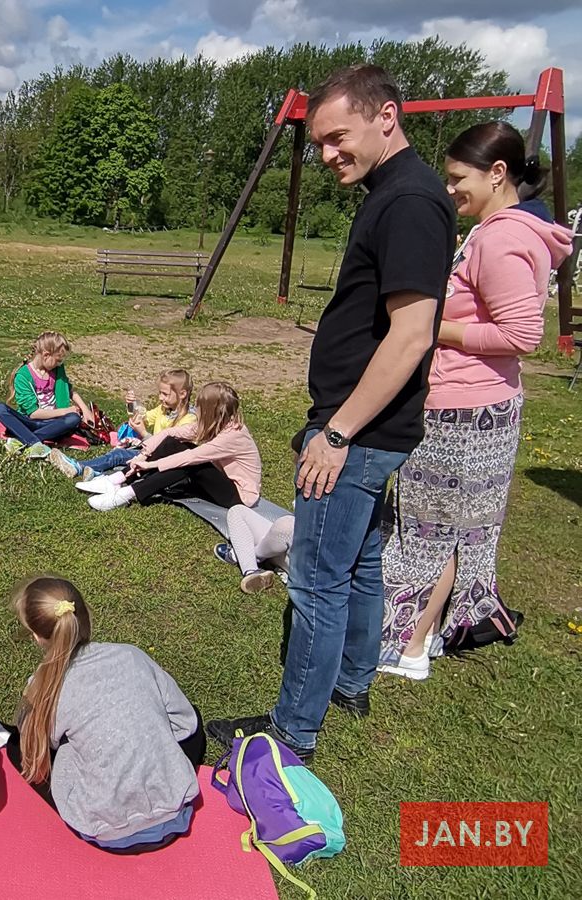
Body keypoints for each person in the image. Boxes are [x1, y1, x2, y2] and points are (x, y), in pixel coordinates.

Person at [206, 64, 456, 762]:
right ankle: (350, 683)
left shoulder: (409, 201)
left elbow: (412, 334)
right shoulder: (397, 192)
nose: (325, 154)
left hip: (358, 431)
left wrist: (338, 432)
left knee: (316, 579)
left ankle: (293, 732)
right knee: (363, 561)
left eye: (337, 137)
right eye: (319, 141)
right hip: (370, 428)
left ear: (387, 117)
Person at [378, 122, 572, 680]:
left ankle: (408, 646)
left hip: (465, 411)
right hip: (477, 404)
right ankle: (430, 633)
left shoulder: (500, 239)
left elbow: (521, 335)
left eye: (459, 178)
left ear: (497, 173)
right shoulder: (500, 232)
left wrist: (432, 327)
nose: (450, 189)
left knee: (431, 528)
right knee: (455, 526)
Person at [5, 576, 203, 853]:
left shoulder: (42, 686)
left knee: (18, 746)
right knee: (186, 718)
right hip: (176, 808)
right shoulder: (131, 655)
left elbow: (38, 746)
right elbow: (185, 722)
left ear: (37, 637)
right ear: (84, 614)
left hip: (107, 832)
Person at [82, 382, 261, 514]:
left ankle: (126, 494)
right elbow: (170, 433)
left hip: (239, 498)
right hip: (221, 480)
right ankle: (118, 479)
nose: (196, 410)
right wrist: (143, 455)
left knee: (191, 464)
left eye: (199, 407)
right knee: (172, 443)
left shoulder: (233, 435)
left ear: (210, 411)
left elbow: (191, 457)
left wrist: (151, 465)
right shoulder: (217, 423)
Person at [48, 369, 195, 482]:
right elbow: (143, 417)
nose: (160, 397)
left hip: (162, 460)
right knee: (121, 457)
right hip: (150, 452)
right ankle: (98, 473)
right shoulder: (164, 409)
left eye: (165, 394)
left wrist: (144, 434)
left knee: (119, 455)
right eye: (160, 393)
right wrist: (132, 405)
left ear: (182, 394)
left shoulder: (188, 421)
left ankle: (78, 466)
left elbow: (167, 450)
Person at [0, 331, 94, 459]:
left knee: (74, 418)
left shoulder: (57, 371)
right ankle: (33, 440)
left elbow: (69, 390)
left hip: (53, 423)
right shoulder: (23, 376)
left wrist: (85, 410)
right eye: (58, 360)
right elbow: (33, 413)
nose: (59, 364)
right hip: (29, 421)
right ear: (46, 355)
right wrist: (65, 411)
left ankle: (23, 439)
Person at [214, 508, 296, 595]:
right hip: (285, 545)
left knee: (286, 525)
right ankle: (251, 565)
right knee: (237, 511)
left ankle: (250, 560)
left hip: (296, 561)